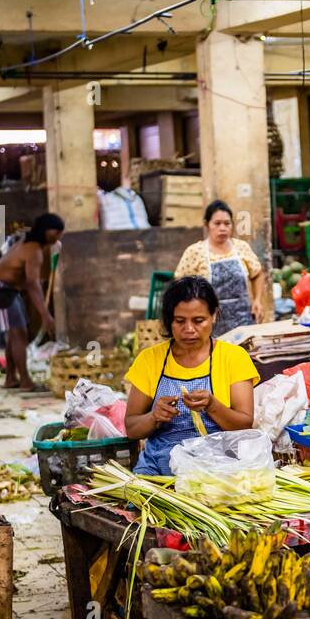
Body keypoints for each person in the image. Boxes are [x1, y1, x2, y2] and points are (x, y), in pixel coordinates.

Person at [124, 275, 261, 475]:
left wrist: (213, 406)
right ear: (169, 319)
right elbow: (132, 428)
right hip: (160, 468)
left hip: (216, 468)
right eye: (180, 321)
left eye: (198, 321)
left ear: (213, 315)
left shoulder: (233, 358)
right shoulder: (150, 360)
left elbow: (244, 424)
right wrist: (154, 417)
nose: (189, 329)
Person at [0, 212, 62, 390]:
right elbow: (32, 284)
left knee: (15, 336)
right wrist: (45, 315)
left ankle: (11, 378)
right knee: (18, 335)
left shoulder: (28, 243)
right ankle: (25, 381)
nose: (60, 236)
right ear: (48, 232)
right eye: (57, 232)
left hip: (7, 290)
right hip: (1, 291)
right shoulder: (33, 250)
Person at [174, 200, 266, 337]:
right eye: (217, 223)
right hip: (209, 323)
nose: (222, 228)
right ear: (207, 225)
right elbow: (180, 285)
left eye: (227, 223)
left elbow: (257, 274)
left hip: (243, 320)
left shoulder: (241, 248)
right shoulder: (195, 252)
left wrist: (257, 300)